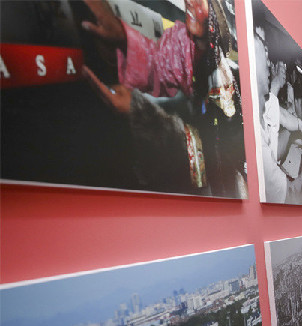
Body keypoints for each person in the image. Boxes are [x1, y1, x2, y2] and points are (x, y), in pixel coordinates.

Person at [81, 0, 245, 197]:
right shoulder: (188, 44)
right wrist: (123, 37)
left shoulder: (229, 82)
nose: (190, 2)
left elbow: (215, 158)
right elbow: (161, 62)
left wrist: (143, 115)